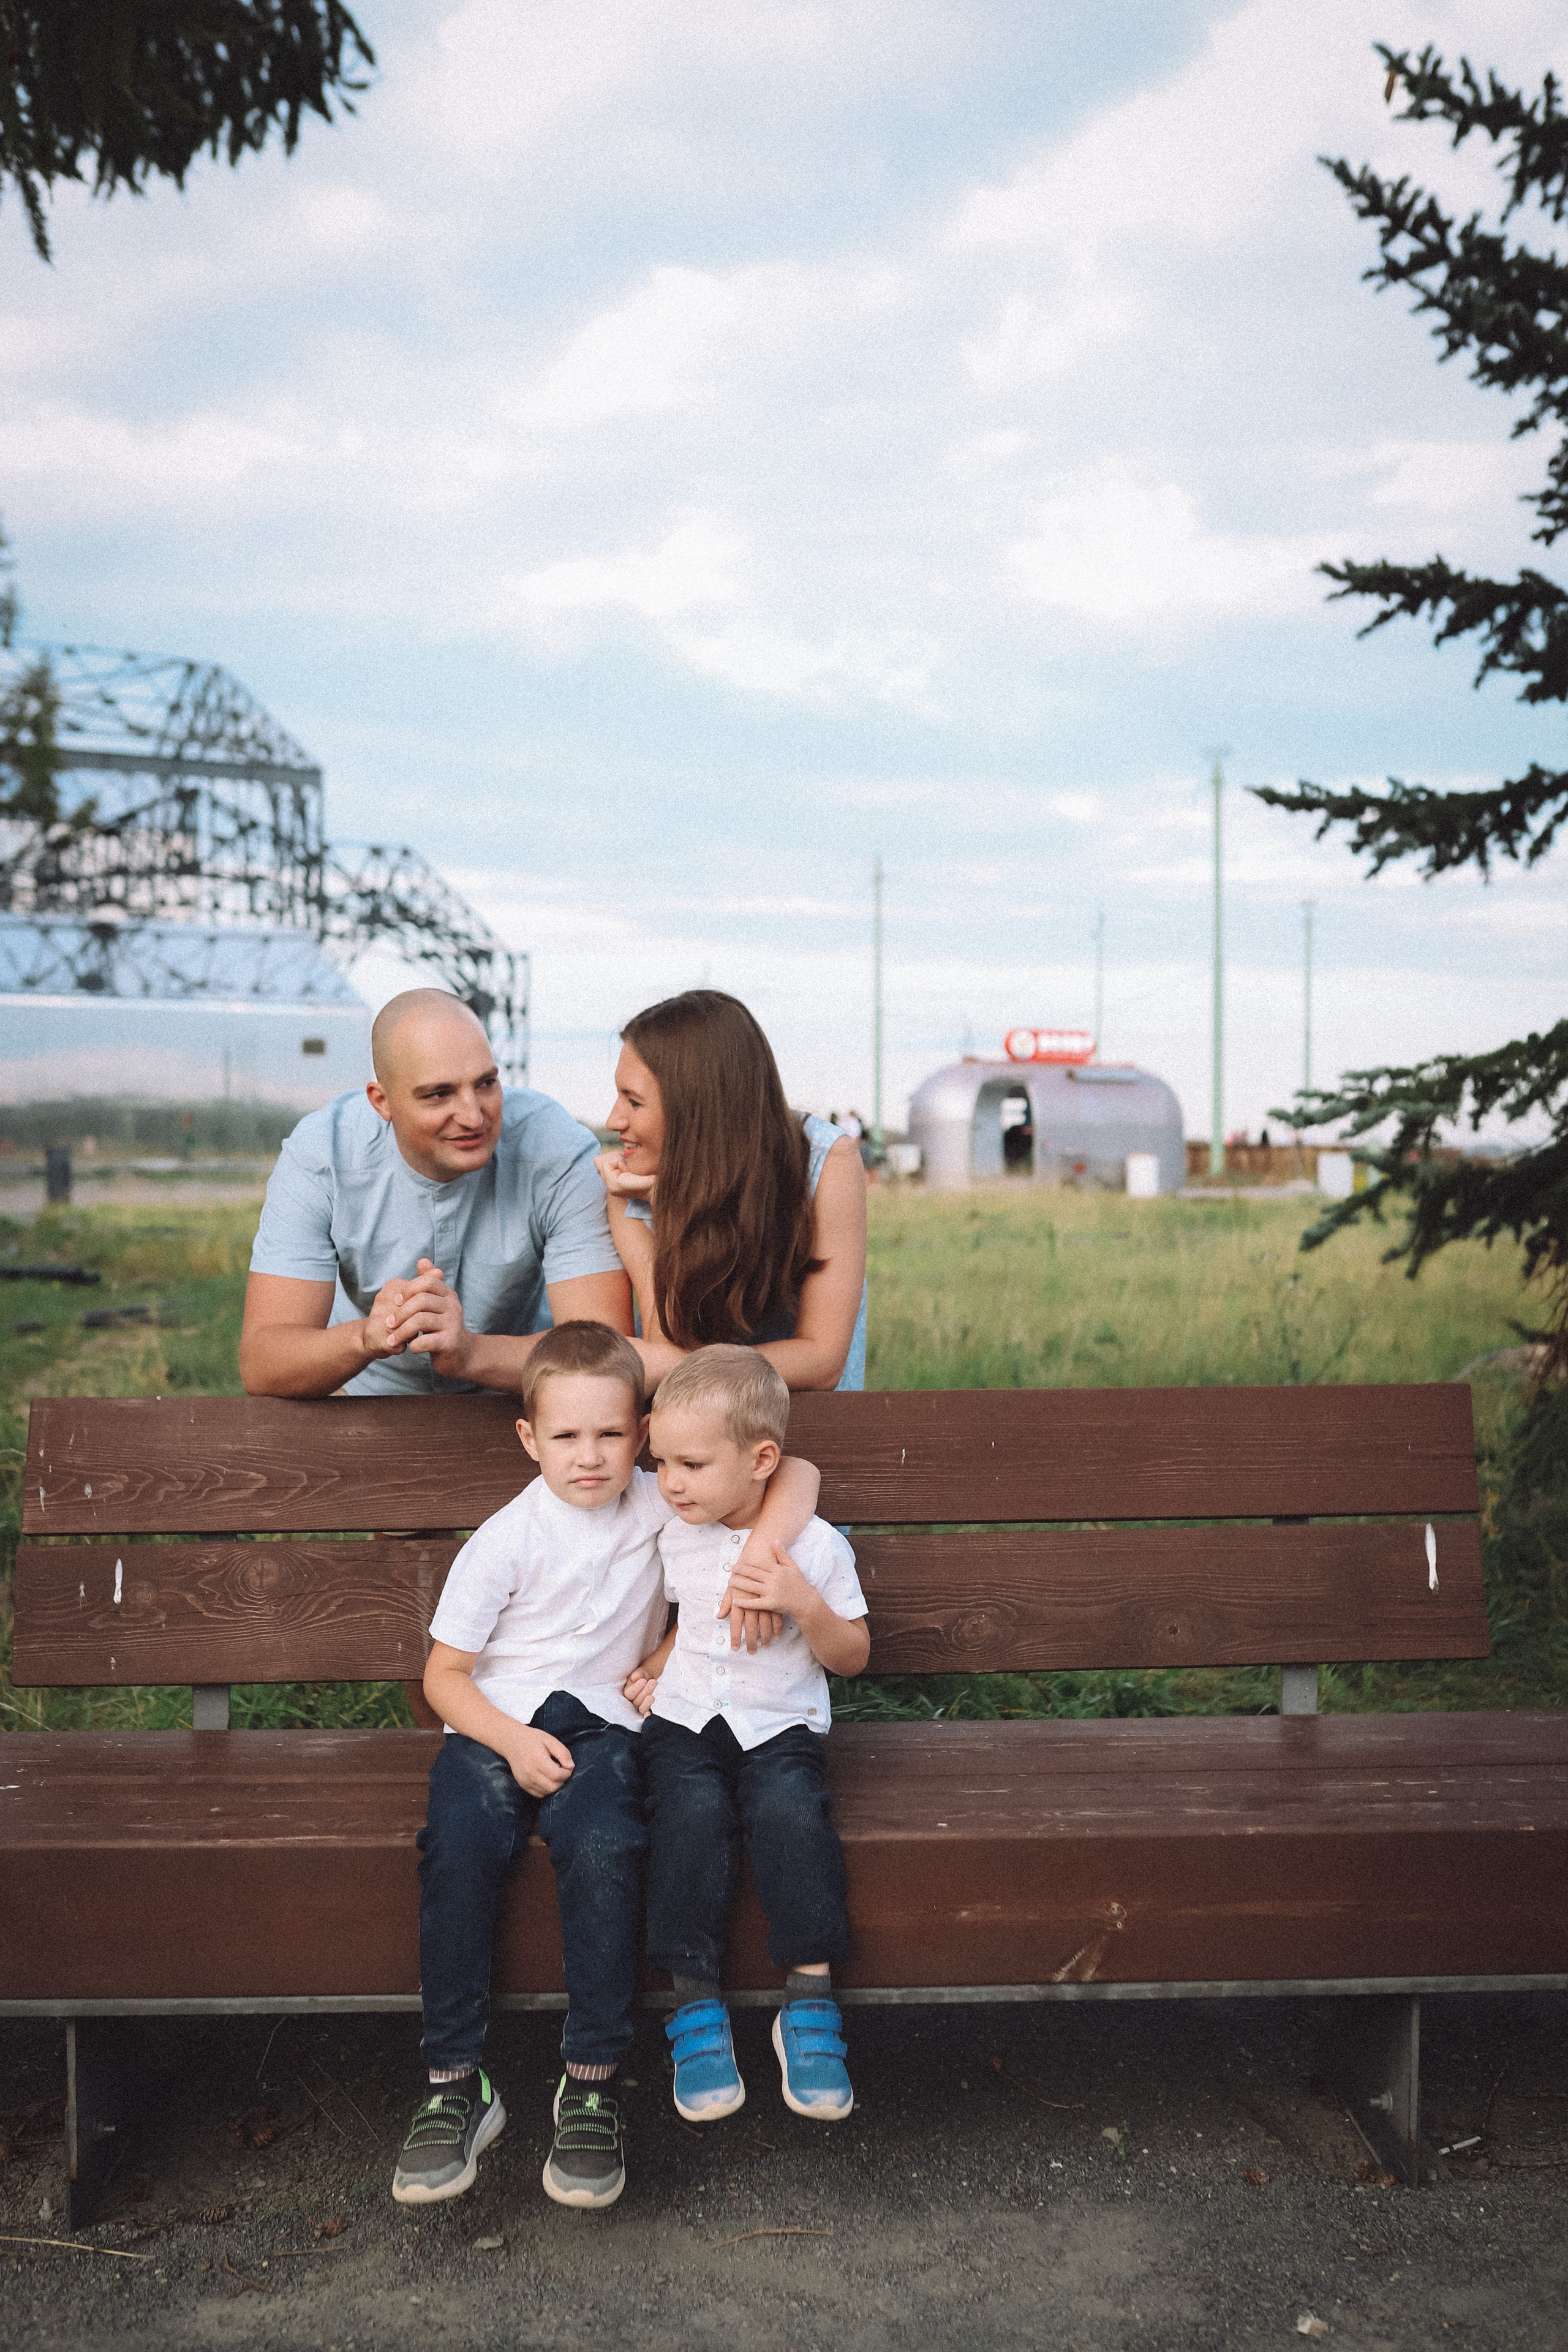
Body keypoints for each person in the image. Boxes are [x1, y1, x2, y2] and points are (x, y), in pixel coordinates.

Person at [394, 1321, 822, 2213]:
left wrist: (728, 1587)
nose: (589, 1457)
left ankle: (590, 2083)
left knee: (605, 1849)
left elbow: (799, 1474)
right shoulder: (505, 1539)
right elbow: (443, 1677)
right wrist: (510, 1742)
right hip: (496, 1727)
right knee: (460, 1848)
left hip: (606, 1728)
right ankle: (455, 2082)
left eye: (611, 1434)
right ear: (529, 1438)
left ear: (643, 1434)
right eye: (565, 1436)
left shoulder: (662, 1501)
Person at [623, 1346, 870, 2124]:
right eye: (662, 1462)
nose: (670, 1482)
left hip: (778, 1726)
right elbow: (691, 1622)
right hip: (685, 1721)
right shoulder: (675, 1532)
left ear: (761, 1460)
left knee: (791, 1814)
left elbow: (853, 1656)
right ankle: (694, 2007)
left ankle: (809, 2002)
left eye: (691, 1465)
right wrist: (656, 1665)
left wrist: (803, 1604)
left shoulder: (814, 1547)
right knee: (688, 1818)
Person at [240, 987, 631, 1401]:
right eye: (439, 1094)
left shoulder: (556, 1147)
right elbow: (264, 1364)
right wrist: (366, 1337)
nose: (473, 1117)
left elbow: (605, 1353)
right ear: (381, 1101)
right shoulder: (323, 1154)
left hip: (526, 1389)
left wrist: (471, 1354)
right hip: (365, 1393)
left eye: (486, 1083)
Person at [595, 990, 867, 1393]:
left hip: (804, 1415)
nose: (613, 1120)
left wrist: (690, 1365)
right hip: (694, 1419)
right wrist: (668, 1214)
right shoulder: (632, 1185)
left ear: (698, 1108)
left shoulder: (825, 1160)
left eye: (634, 1102)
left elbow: (822, 1360)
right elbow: (663, 1349)